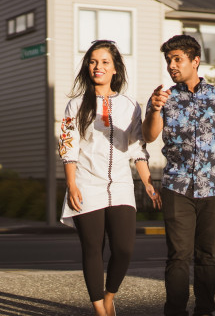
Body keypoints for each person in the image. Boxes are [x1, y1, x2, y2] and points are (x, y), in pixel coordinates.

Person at [142, 34, 215, 316]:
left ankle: (205, 311)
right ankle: (175, 311)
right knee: (178, 256)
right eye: (169, 60)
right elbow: (149, 135)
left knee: (207, 257)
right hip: (177, 187)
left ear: (195, 60)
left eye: (177, 59)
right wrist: (155, 109)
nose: (172, 65)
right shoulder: (163, 99)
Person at [59, 40, 162, 316]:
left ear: (115, 68)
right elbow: (68, 148)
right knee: (93, 249)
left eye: (105, 62)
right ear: (87, 66)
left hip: (121, 185)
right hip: (85, 183)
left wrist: (149, 183)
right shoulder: (75, 105)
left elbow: (137, 148)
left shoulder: (130, 105)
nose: (98, 67)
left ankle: (109, 296)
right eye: (93, 61)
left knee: (124, 249)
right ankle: (101, 312)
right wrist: (71, 184)